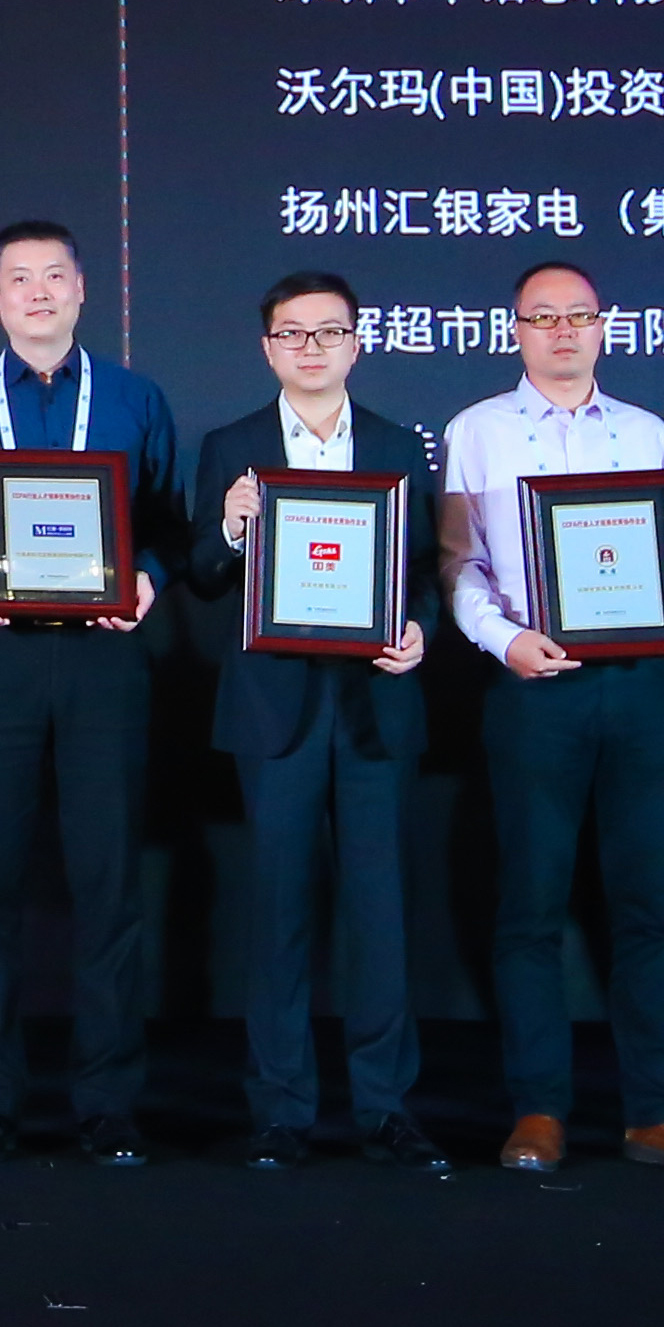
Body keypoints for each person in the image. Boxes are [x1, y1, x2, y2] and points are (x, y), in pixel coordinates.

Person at [440, 262, 664, 1178]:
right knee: (530, 906)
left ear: (605, 326)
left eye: (579, 315)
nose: (563, 330)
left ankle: (658, 1113)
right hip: (534, 684)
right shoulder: (477, 431)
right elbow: (458, 562)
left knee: (649, 904)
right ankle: (538, 1110)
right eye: (544, 317)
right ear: (516, 330)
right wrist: (503, 640)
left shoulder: (650, 432)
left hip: (643, 688)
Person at [0, 219, 184, 1166]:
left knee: (110, 884)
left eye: (54, 275)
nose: (38, 291)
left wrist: (146, 574)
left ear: (81, 289)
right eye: (19, 278)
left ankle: (108, 1104)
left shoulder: (136, 399)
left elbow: (167, 523)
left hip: (106, 658)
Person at [186, 270, 445, 1173]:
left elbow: (425, 572)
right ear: (268, 348)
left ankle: (386, 1107)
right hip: (275, 708)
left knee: (379, 912)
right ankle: (281, 1108)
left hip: (375, 700)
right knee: (278, 912)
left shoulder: (397, 444)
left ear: (356, 344)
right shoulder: (232, 447)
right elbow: (201, 575)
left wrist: (420, 630)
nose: (311, 347)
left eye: (329, 331)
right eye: (292, 333)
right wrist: (228, 526)